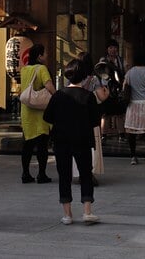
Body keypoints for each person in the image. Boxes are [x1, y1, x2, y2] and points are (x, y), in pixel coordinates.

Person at [43, 57, 108, 225]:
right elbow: (95, 120)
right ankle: (87, 211)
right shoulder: (88, 96)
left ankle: (67, 214)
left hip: (61, 140)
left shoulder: (58, 95)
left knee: (64, 175)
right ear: (84, 77)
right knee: (85, 173)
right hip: (83, 140)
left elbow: (47, 116)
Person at [20, 43, 56, 184]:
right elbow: (49, 86)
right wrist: (57, 96)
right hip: (41, 112)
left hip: (27, 111)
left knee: (27, 144)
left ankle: (25, 173)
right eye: (44, 53)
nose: (46, 56)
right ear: (39, 56)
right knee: (42, 145)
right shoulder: (42, 69)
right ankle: (42, 174)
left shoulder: (25, 70)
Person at [73, 51, 104, 185]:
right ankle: (89, 173)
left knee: (77, 144)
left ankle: (79, 173)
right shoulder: (94, 79)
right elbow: (101, 97)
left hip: (76, 115)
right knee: (92, 144)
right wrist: (106, 91)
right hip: (90, 115)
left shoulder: (73, 77)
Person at [122, 49, 145, 165]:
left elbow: (124, 87)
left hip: (133, 104)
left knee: (132, 131)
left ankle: (133, 156)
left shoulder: (129, 72)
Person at [98, 38, 126, 137]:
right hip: (106, 89)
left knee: (119, 113)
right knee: (106, 113)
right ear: (107, 49)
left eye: (114, 47)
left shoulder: (121, 60)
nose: (112, 50)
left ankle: (121, 134)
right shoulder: (103, 60)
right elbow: (101, 74)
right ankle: (103, 134)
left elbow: (124, 73)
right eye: (110, 48)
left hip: (118, 89)